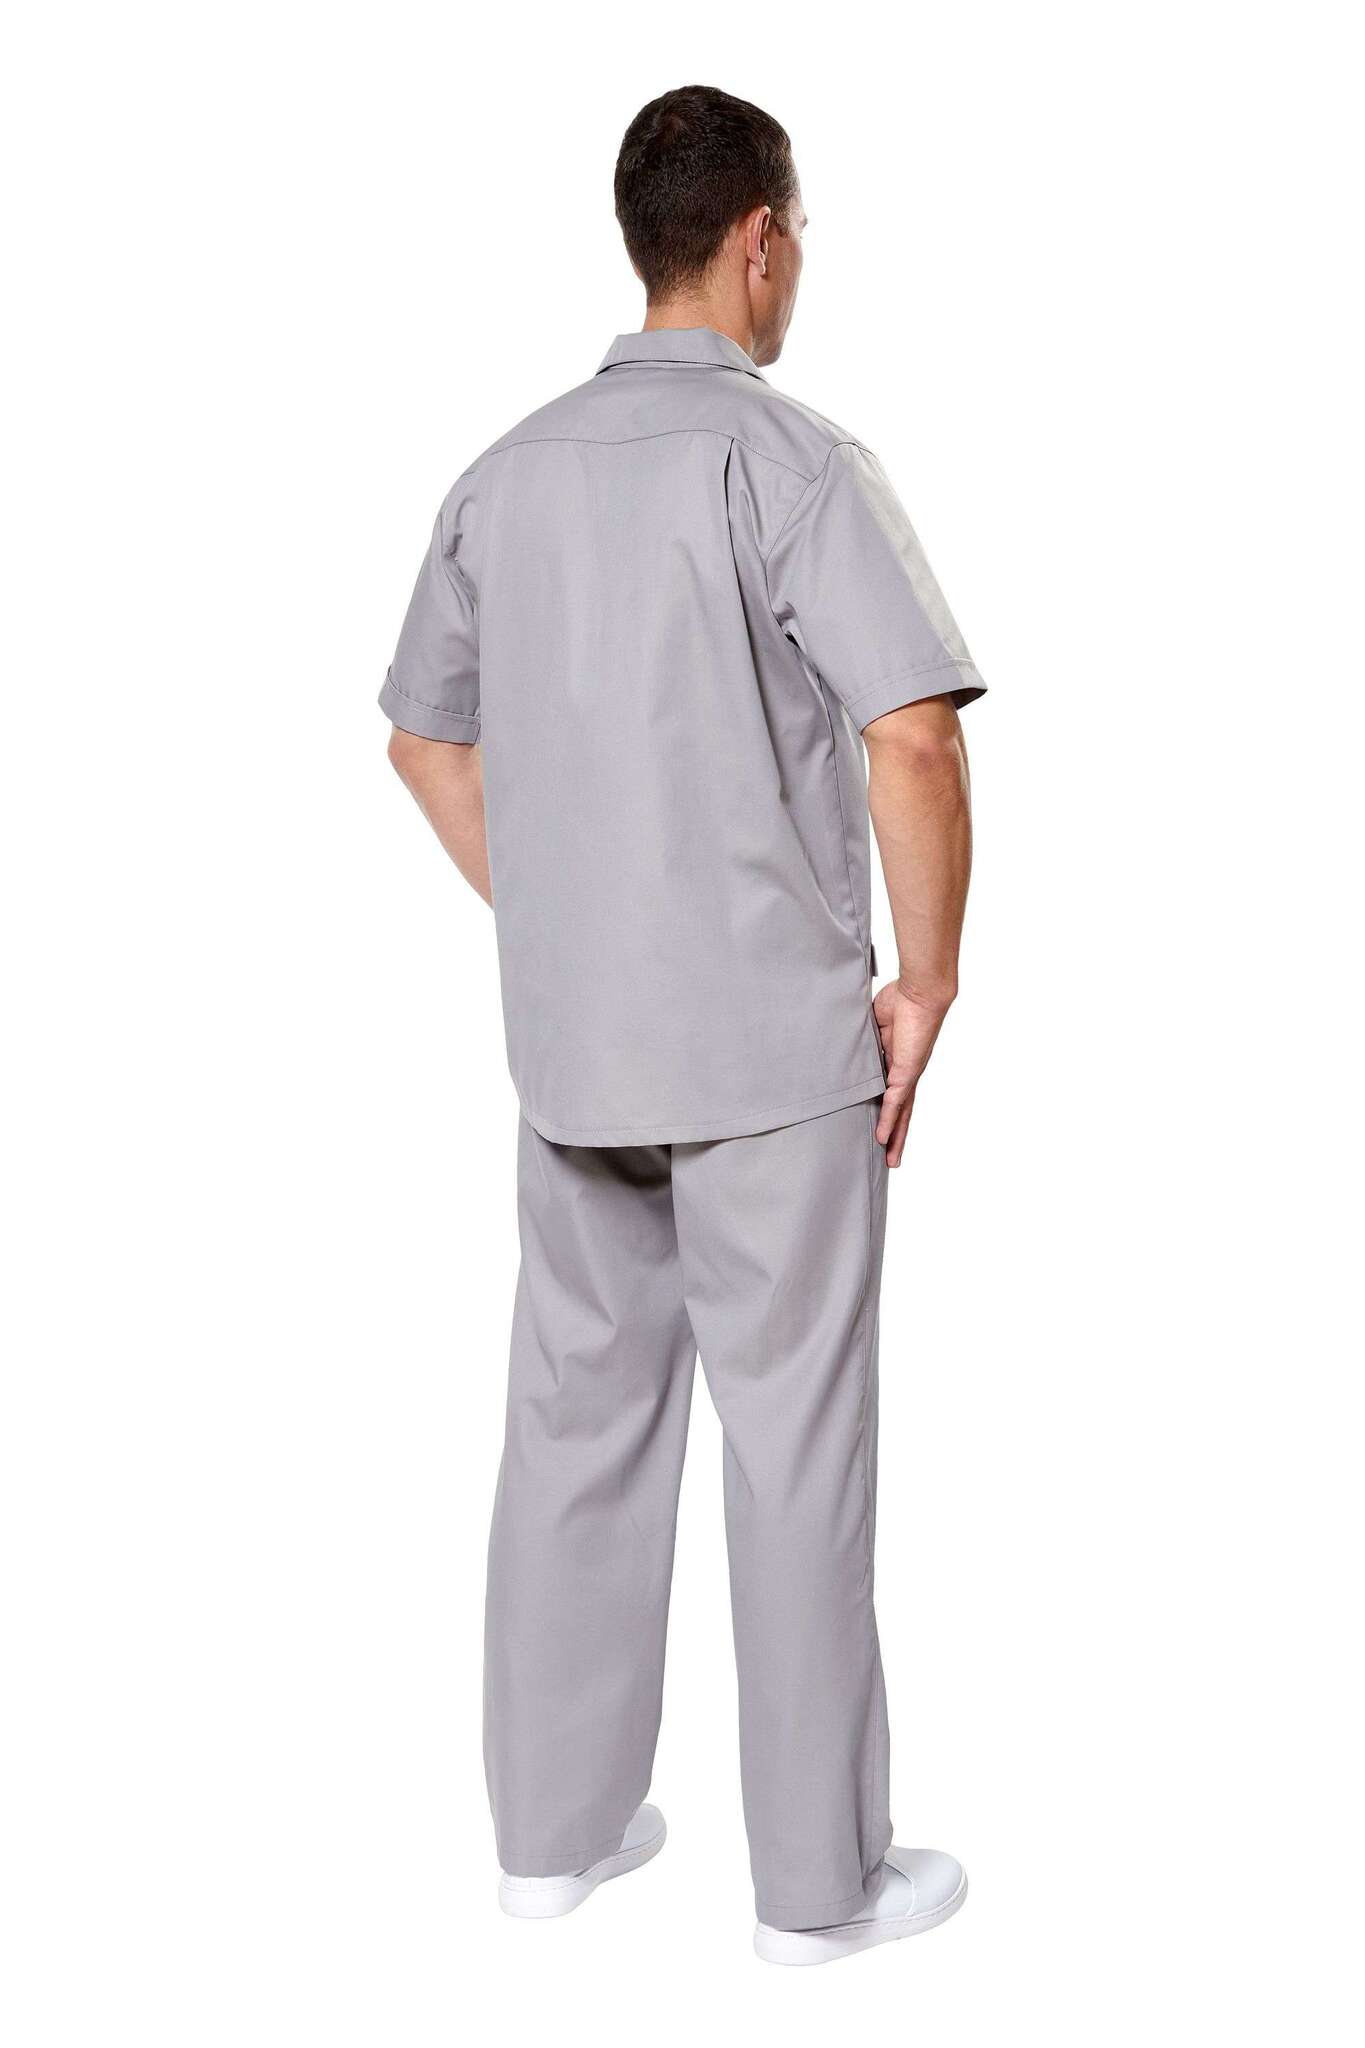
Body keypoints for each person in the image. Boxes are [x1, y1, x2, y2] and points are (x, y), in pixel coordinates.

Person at [381, 83, 984, 1966]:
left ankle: (548, 1845)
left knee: (573, 1421)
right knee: (791, 1452)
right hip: (769, 1063)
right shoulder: (789, 464)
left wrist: (570, 922)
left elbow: (422, 739)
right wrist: (925, 982)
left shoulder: (503, 475)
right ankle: (818, 1897)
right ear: (760, 238)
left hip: (577, 1057)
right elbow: (912, 735)